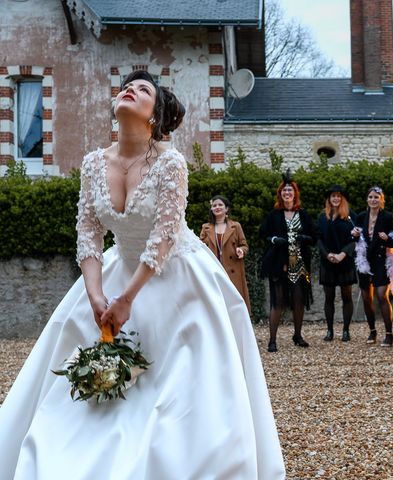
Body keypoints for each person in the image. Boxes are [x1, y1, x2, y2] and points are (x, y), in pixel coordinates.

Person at [0, 70, 285, 479]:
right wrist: (97, 295)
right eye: (126, 86)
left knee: (176, 386)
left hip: (176, 276)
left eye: (143, 89)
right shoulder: (94, 163)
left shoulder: (171, 163)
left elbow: (164, 235)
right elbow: (88, 232)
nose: (129, 89)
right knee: (80, 372)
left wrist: (127, 298)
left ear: (155, 115)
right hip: (114, 274)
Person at [259, 171, 315, 352]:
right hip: (279, 263)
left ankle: (297, 335)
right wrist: (275, 239)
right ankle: (272, 340)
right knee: (278, 301)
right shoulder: (275, 215)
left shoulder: (303, 214)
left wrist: (304, 237)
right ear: (280, 194)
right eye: (284, 191)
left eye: (290, 190)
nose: (287, 193)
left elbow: (315, 235)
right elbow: (263, 233)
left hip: (299, 263)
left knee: (299, 299)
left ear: (295, 194)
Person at [351, 186, 393, 347]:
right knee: (366, 297)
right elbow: (357, 241)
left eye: (376, 197)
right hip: (364, 261)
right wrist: (355, 236)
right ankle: (372, 331)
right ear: (367, 199)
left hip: (380, 260)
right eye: (370, 197)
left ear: (381, 200)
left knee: (381, 295)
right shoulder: (361, 217)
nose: (373, 200)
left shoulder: (387, 217)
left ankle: (389, 334)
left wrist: (386, 239)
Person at [317, 185, 357, 342]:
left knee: (347, 296)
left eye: (338, 196)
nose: (336, 198)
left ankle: (346, 330)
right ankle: (329, 330)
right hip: (328, 262)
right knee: (329, 297)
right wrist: (327, 255)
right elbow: (318, 238)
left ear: (342, 198)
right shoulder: (322, 217)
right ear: (329, 199)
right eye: (333, 196)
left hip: (345, 261)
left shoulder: (350, 216)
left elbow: (356, 240)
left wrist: (342, 254)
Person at [200, 194, 252, 314]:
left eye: (220, 205)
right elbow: (200, 248)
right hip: (213, 271)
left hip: (232, 270)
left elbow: (244, 245)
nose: (217, 207)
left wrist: (241, 250)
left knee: (234, 304)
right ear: (211, 209)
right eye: (214, 205)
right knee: (216, 303)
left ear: (226, 208)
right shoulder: (205, 228)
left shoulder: (236, 226)